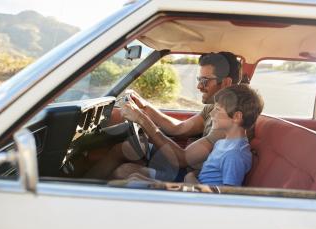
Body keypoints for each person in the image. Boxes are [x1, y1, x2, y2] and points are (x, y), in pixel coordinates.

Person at [85, 52, 241, 181]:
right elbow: (178, 128)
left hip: (190, 177)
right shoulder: (213, 108)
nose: (199, 86)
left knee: (123, 172)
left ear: (226, 82)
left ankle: (77, 193)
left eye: (205, 81)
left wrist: (141, 119)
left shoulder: (227, 123)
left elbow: (182, 158)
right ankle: (83, 189)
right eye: (199, 79)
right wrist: (144, 105)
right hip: (187, 169)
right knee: (126, 148)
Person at [184, 84, 263, 186]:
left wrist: (189, 179)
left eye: (217, 110)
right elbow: (207, 171)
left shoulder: (234, 155)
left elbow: (227, 196)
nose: (211, 114)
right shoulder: (221, 143)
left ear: (237, 117)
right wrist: (191, 175)